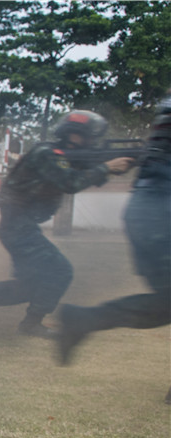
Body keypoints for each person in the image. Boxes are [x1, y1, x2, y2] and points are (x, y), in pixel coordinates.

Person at [0, 110, 135, 338]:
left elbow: (81, 176)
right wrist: (107, 167)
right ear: (76, 135)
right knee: (60, 271)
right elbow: (70, 182)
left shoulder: (61, 155)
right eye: (90, 137)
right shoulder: (48, 154)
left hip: (19, 224)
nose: (93, 142)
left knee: (28, 287)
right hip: (17, 225)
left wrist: (108, 168)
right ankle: (30, 325)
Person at [55, 97, 170, 379]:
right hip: (161, 214)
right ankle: (83, 320)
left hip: (145, 211)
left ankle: (82, 320)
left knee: (167, 303)